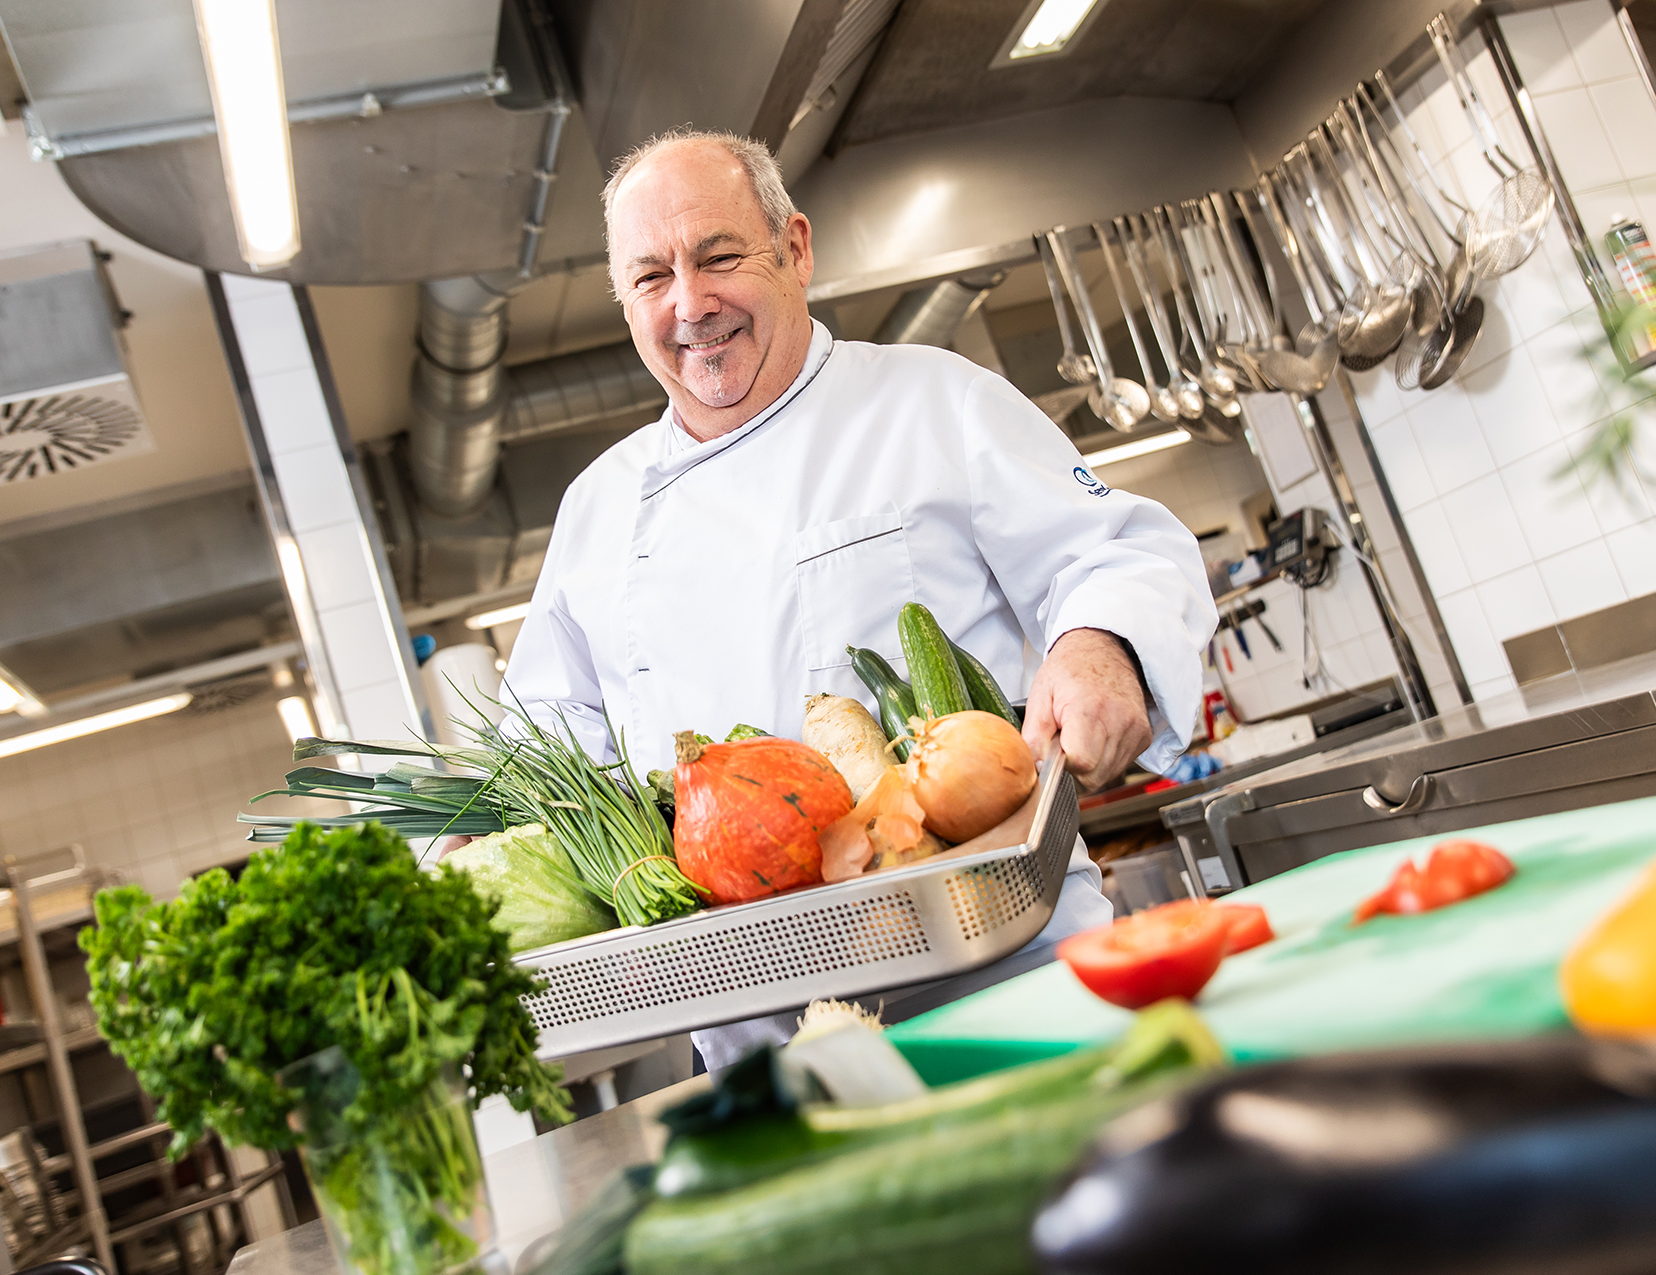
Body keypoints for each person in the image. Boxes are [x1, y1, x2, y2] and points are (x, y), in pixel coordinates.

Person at [504, 128, 1217, 1071]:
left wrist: (1098, 646)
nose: (690, 303)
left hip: (1009, 977)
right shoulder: (597, 509)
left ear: (796, 249)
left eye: (719, 256)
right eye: (651, 278)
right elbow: (538, 745)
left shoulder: (934, 403)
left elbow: (1119, 551)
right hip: (764, 1042)